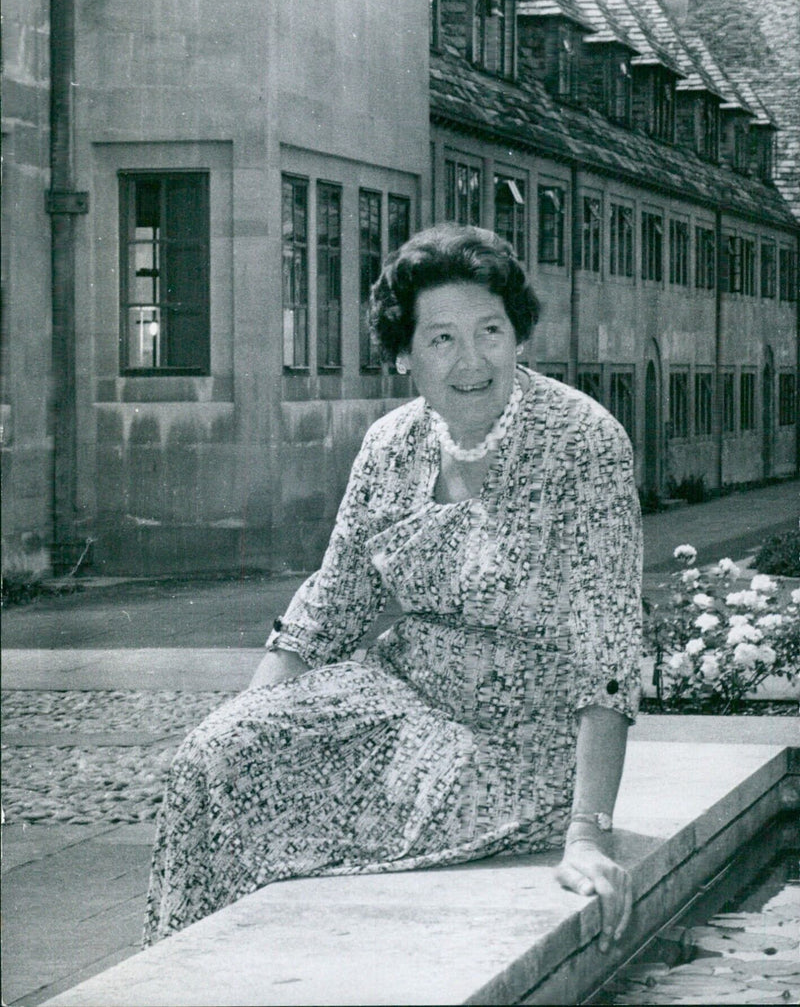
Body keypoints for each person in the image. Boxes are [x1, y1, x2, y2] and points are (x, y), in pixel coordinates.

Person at [144, 223, 643, 955]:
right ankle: (176, 983)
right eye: (441, 338)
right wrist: (243, 723)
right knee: (211, 760)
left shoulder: (584, 442)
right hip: (403, 702)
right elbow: (324, 614)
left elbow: (610, 648)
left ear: (520, 338)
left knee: (292, 815)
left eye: (491, 331)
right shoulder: (391, 444)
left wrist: (589, 833)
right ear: (405, 354)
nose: (471, 360)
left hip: (519, 748)